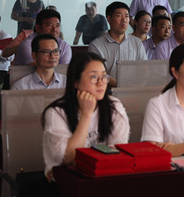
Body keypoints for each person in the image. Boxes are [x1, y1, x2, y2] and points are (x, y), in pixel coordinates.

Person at [42, 51, 129, 183]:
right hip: (66, 183)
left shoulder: (114, 106)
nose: (101, 82)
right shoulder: (56, 113)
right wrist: (86, 115)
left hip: (104, 178)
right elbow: (69, 157)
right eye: (94, 77)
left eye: (104, 76)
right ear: (75, 82)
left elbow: (117, 152)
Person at [88, 1, 147, 87]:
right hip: (107, 91)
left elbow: (144, 70)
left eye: (126, 16)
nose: (124, 20)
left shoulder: (137, 42)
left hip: (134, 90)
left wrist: (136, 87)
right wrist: (122, 87)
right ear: (109, 19)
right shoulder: (96, 45)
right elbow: (99, 73)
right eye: (119, 16)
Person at [7, 9, 72, 66]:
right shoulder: (27, 45)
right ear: (38, 28)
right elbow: (40, 69)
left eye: (57, 26)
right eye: (50, 25)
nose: (54, 29)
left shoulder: (65, 46)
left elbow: (64, 70)